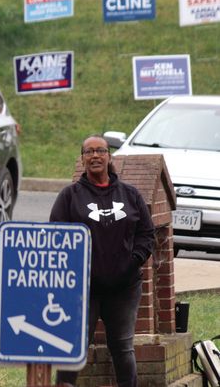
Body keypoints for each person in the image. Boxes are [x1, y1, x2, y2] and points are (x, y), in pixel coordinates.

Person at [50, 135, 155, 387]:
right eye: (89, 152)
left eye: (100, 151)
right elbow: (55, 236)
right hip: (83, 289)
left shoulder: (130, 194)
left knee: (122, 346)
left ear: (109, 157)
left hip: (124, 287)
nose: (95, 155)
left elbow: (147, 234)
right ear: (83, 159)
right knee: (74, 348)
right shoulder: (70, 196)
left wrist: (132, 261)